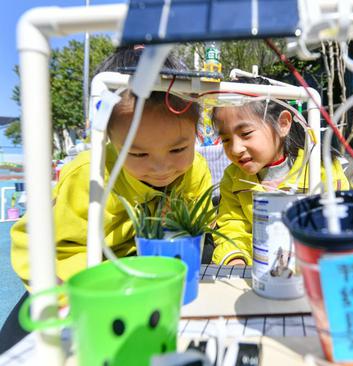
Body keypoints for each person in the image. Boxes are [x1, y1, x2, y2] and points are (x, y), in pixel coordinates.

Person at [0, 46, 212, 352]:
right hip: (72, 288)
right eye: (137, 153)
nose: (162, 167)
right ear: (108, 138)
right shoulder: (89, 175)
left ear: (197, 133)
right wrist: (69, 300)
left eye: (179, 149)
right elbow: (31, 242)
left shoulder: (197, 172)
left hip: (142, 284)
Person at [211, 77, 350, 266]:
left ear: (283, 123)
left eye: (245, 134)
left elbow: (341, 222)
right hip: (259, 271)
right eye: (226, 139)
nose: (235, 149)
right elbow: (232, 227)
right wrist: (235, 257)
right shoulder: (233, 178)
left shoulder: (321, 168)